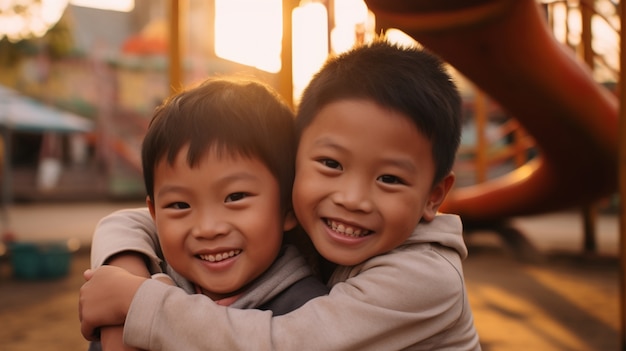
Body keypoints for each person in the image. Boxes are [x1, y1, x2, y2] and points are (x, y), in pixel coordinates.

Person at [80, 39, 481, 350]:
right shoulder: (321, 222)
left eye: (390, 179)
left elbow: (285, 342)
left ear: (433, 195)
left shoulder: (425, 279)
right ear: (295, 165)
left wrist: (140, 305)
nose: (352, 198)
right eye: (331, 164)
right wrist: (126, 273)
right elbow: (130, 220)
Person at [88, 76, 329, 351]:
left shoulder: (309, 314)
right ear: (153, 213)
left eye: (235, 197)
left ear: (288, 208)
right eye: (180, 205)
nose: (208, 228)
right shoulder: (128, 302)